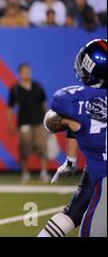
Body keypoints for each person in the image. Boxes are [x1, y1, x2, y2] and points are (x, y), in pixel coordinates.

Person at [42, 38, 107, 237]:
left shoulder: (74, 99)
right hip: (97, 172)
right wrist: (71, 158)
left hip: (104, 177)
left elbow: (52, 121)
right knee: (74, 211)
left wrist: (64, 121)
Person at [38, 132, 93, 237]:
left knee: (75, 212)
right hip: (98, 164)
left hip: (98, 164)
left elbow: (73, 122)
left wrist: (70, 161)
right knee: (75, 212)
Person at [7, 63, 50, 182]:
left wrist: (48, 121)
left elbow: (43, 104)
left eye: (28, 71)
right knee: (24, 148)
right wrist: (10, 125)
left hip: (39, 122)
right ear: (20, 73)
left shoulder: (37, 86)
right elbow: (10, 108)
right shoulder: (15, 89)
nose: (27, 73)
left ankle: (44, 172)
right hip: (23, 123)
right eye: (24, 71)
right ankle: (25, 172)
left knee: (42, 147)